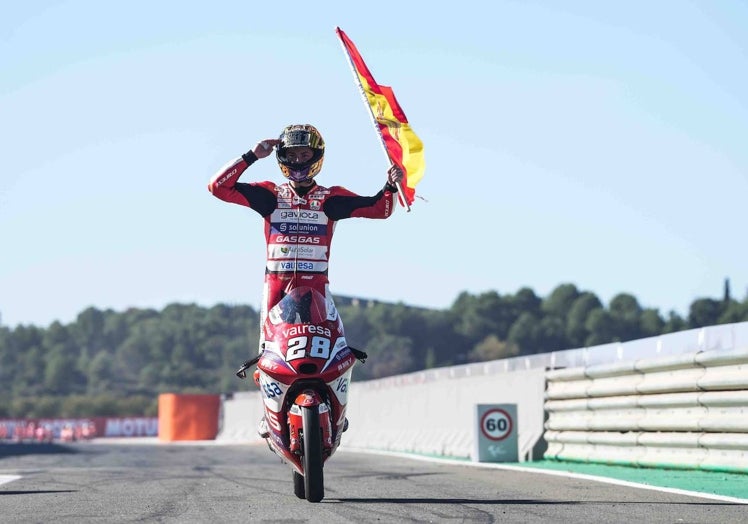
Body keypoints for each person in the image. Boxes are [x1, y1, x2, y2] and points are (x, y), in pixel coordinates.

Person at [208, 124, 403, 353]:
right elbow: (217, 186)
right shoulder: (270, 195)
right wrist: (252, 156)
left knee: (332, 354)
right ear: (282, 158)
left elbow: (380, 209)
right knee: (268, 358)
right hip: (276, 291)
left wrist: (391, 185)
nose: (298, 161)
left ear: (316, 156)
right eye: (291, 155)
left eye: (304, 154)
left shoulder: (330, 198)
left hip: (316, 291)